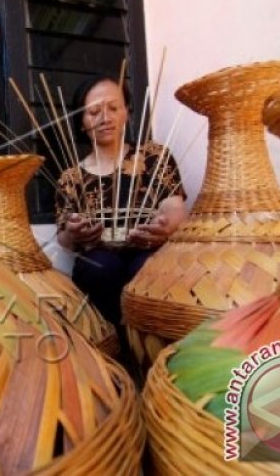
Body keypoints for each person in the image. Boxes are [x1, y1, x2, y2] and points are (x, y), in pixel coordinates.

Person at [55, 74, 186, 365]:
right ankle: (114, 356)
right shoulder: (71, 178)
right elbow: (64, 238)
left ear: (126, 111)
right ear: (80, 121)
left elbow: (174, 207)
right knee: (101, 267)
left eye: (114, 108)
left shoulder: (154, 157)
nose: (105, 117)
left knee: (147, 267)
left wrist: (165, 226)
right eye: (93, 111)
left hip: (149, 250)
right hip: (100, 258)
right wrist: (75, 233)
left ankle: (156, 358)